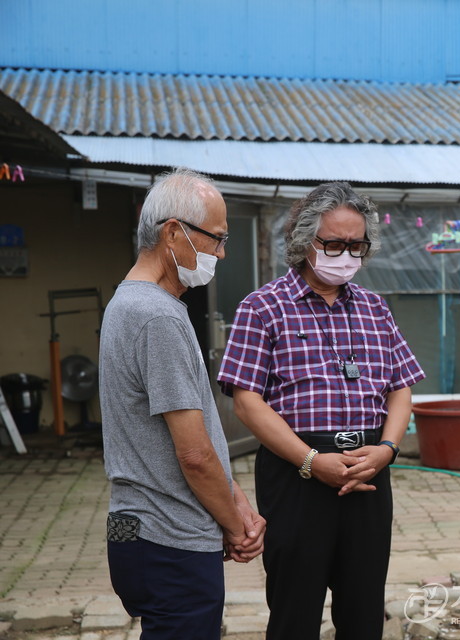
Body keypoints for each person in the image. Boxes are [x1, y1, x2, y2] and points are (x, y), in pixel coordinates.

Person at [217, 182, 425, 640]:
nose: (346, 254)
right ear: (303, 241)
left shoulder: (375, 309)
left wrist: (387, 449)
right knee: (295, 608)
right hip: (297, 473)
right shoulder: (262, 308)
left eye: (357, 245)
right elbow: (248, 402)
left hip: (368, 471)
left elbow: (401, 388)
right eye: (334, 243)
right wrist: (311, 461)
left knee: (364, 608)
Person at [99, 168, 266, 640]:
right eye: (217, 239)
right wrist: (237, 527)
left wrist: (236, 499)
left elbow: (200, 434)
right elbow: (194, 454)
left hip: (139, 531)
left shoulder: (128, 303)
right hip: (169, 538)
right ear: (173, 232)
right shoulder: (157, 317)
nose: (222, 253)